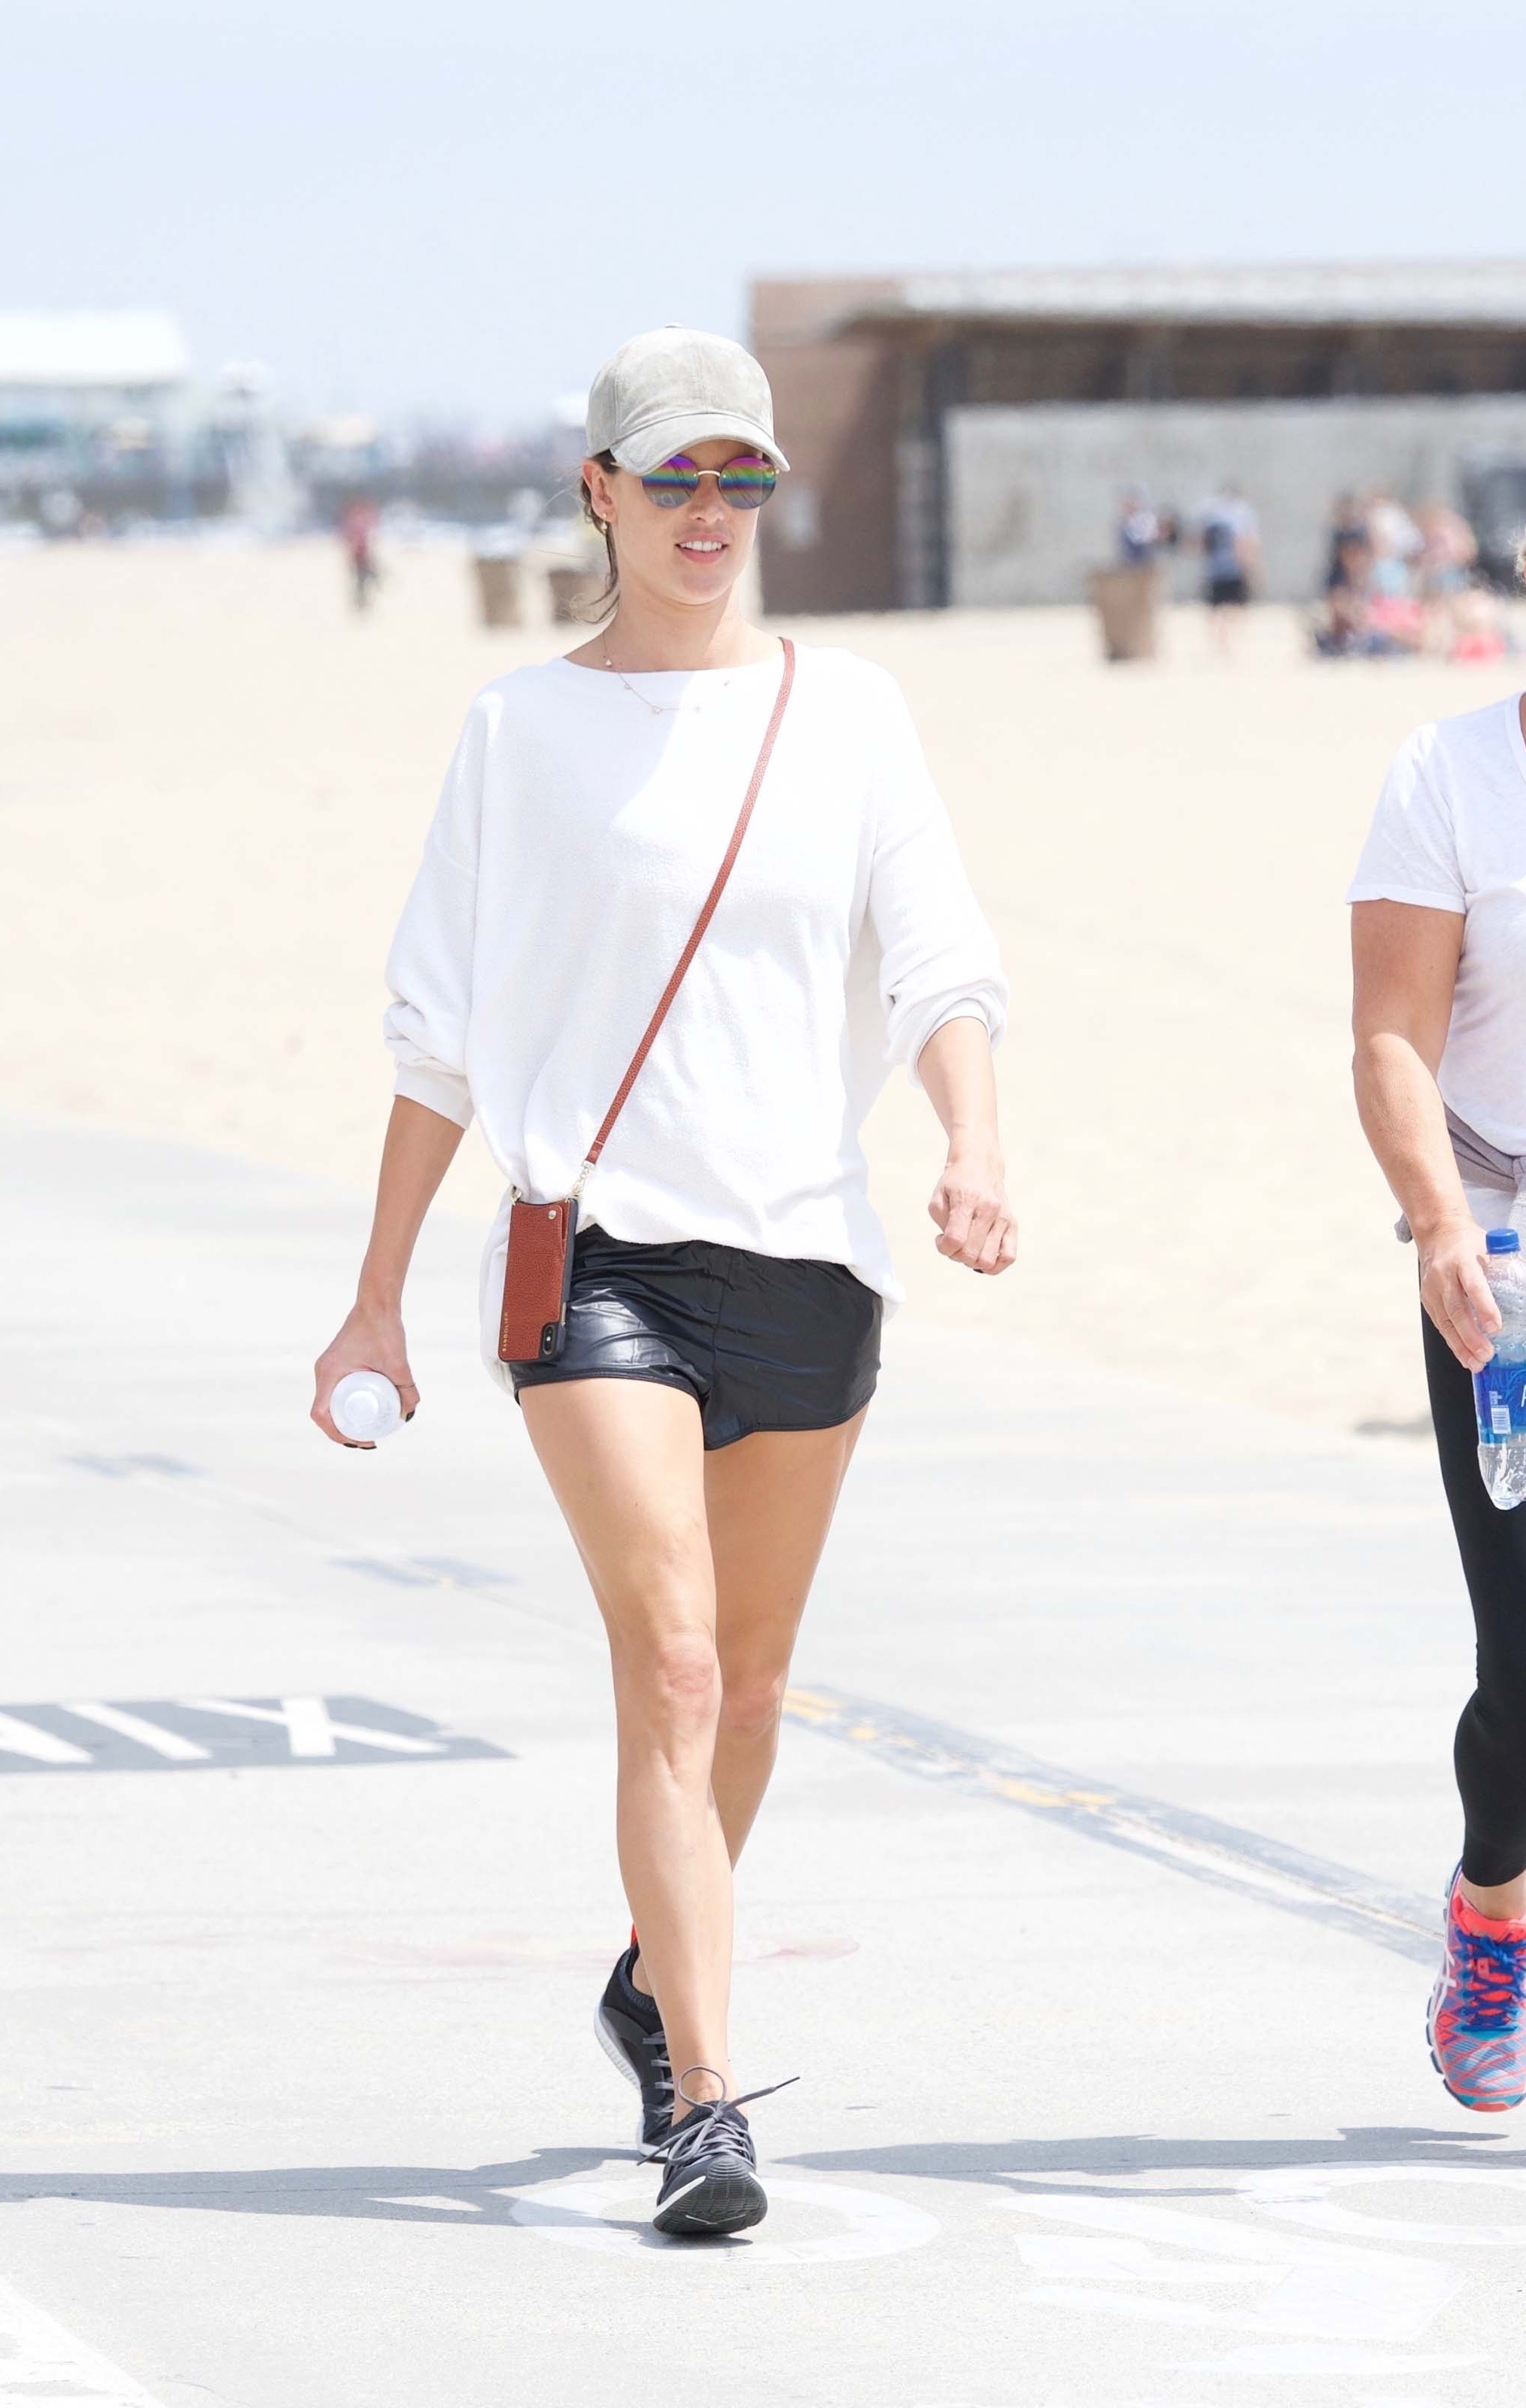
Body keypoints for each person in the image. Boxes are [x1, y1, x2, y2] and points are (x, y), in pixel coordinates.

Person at [311, 326, 1014, 2235]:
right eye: (674, 478)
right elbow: (436, 1041)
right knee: (675, 1659)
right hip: (595, 1255)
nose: (711, 511)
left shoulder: (849, 712)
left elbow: (941, 962)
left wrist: (968, 1140)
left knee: (760, 1681)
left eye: (743, 479)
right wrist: (374, 1293)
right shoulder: (513, 733)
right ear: (598, 496)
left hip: (807, 1254)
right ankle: (707, 2099)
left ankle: (645, 1978)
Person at [1348, 467, 1526, 2114]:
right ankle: (1491, 1905)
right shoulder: (1451, 777)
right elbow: (1391, 1037)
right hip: (1505, 1265)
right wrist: (1432, 1225)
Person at [1197, 482, 1261, 655]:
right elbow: (1245, 542)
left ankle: (1221, 644)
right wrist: (1252, 566)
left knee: (1217, 610)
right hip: (1233, 568)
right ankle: (1231, 645)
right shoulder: (1242, 514)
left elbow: (1202, 542)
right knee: (1234, 608)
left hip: (1215, 568)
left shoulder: (1211, 514)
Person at [339, 496, 381, 612]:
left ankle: (363, 599)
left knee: (364, 578)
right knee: (362, 579)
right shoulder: (354, 521)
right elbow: (351, 538)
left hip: (362, 554)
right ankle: (362, 602)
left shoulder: (354, 520)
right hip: (359, 555)